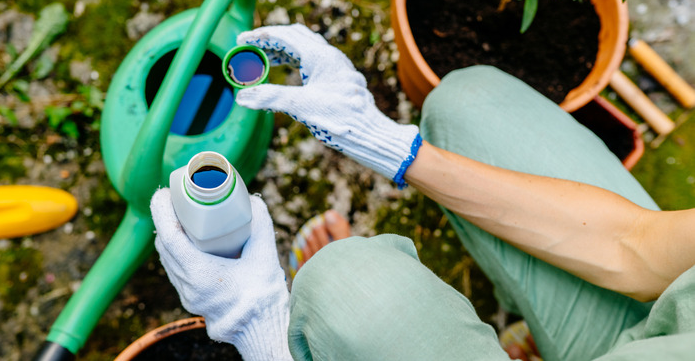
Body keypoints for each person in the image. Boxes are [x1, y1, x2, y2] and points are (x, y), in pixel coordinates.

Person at [150, 24, 695, 361]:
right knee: (471, 106)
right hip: (661, 331)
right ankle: (528, 322)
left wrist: (257, 327)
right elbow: (637, 248)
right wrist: (383, 140)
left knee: (348, 292)